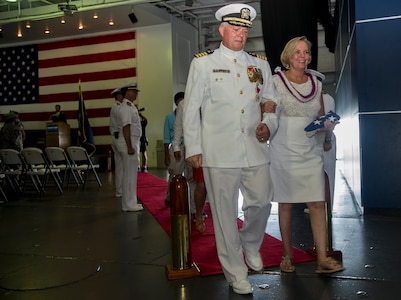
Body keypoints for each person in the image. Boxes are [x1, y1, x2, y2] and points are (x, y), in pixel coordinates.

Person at [183, 3, 278, 295]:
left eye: (245, 29)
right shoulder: (203, 63)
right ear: (222, 30)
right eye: (235, 28)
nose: (240, 34)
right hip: (219, 151)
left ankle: (250, 243)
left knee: (261, 202)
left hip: (254, 148)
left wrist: (269, 124)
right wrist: (193, 148)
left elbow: (270, 102)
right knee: (225, 215)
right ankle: (236, 272)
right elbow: (191, 108)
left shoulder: (260, 64)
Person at [264, 36, 343, 274]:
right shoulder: (275, 81)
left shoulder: (316, 83)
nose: (303, 56)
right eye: (298, 51)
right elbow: (267, 113)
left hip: (310, 150)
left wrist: (327, 132)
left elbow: (319, 118)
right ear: (288, 55)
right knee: (286, 204)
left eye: (306, 52)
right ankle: (287, 255)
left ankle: (321, 258)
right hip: (283, 150)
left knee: (317, 203)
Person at [172, 96, 205, 232]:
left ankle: (222, 218)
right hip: (198, 148)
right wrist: (176, 146)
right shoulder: (184, 104)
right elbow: (178, 125)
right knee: (200, 184)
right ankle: (197, 213)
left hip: (217, 146)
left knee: (218, 185)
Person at [116, 82, 143, 212]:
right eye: (134, 91)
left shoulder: (130, 106)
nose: (136, 93)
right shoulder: (126, 107)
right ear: (127, 92)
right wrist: (129, 146)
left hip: (133, 141)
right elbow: (126, 126)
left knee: (132, 174)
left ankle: (131, 202)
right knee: (129, 175)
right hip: (129, 141)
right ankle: (128, 204)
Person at [162, 92, 185, 207]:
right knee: (175, 173)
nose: (182, 102)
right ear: (176, 102)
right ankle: (170, 197)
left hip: (189, 145)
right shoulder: (169, 117)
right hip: (177, 147)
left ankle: (187, 200)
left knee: (191, 176)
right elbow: (166, 137)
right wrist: (166, 155)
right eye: (179, 100)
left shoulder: (189, 114)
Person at [109, 88, 123, 198]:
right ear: (118, 96)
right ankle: (120, 190)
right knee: (121, 166)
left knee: (120, 166)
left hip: (117, 137)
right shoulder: (117, 108)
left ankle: (120, 190)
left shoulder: (118, 107)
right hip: (119, 137)